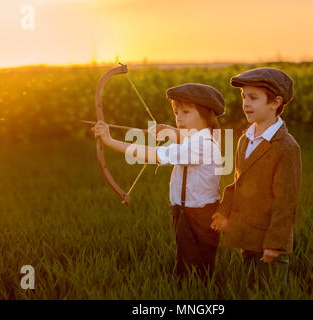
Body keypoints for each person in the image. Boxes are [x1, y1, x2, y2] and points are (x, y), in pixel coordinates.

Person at [93, 83, 225, 280]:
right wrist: (171, 130)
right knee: (186, 258)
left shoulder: (202, 146)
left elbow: (154, 154)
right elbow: (186, 137)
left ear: (207, 115)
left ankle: (196, 296)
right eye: (176, 112)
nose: (179, 117)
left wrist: (110, 142)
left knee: (194, 266)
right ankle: (192, 290)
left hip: (198, 215)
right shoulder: (196, 138)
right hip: (185, 212)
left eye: (186, 112)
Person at [211, 67, 302, 289]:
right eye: (244, 97)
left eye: (253, 98)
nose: (246, 103)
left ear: (275, 102)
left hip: (270, 243)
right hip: (247, 236)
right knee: (248, 289)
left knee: (269, 291)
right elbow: (239, 183)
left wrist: (275, 244)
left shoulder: (286, 147)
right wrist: (224, 211)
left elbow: (285, 202)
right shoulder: (245, 138)